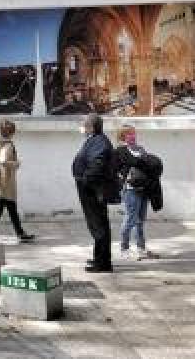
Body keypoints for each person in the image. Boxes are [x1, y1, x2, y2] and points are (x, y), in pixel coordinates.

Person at [73, 113, 116, 273]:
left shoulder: (100, 142)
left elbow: (97, 165)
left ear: (92, 127)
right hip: (90, 189)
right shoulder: (95, 139)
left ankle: (103, 263)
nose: (82, 127)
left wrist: (85, 180)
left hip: (93, 190)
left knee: (98, 226)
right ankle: (100, 258)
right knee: (98, 225)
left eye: (84, 124)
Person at [0, 120, 35, 243]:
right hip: (4, 182)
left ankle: (20, 233)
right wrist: (16, 163)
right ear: (12, 132)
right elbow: (2, 161)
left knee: (9, 208)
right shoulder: (8, 145)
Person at [114, 123, 161, 260]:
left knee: (140, 221)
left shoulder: (140, 149)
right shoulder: (120, 150)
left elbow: (149, 164)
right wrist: (143, 162)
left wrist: (145, 163)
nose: (132, 136)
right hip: (130, 190)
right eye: (129, 134)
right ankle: (124, 249)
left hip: (143, 188)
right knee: (130, 219)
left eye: (134, 133)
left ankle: (141, 249)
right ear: (122, 136)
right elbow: (134, 162)